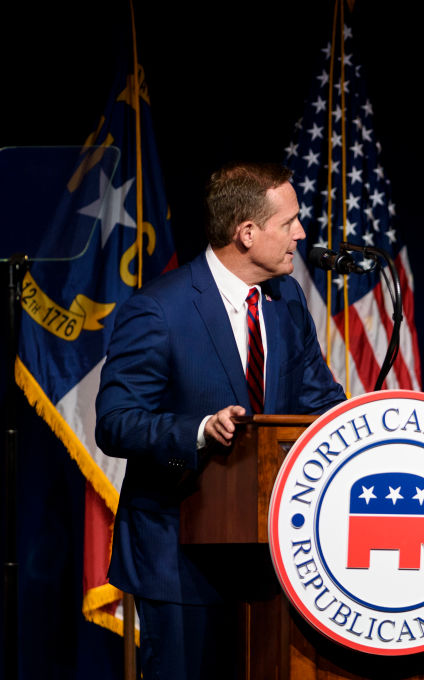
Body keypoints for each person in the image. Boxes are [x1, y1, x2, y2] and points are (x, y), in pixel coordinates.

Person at [96, 161, 347, 679]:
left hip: (272, 555)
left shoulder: (287, 301)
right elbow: (116, 423)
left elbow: (319, 401)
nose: (301, 233)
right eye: (290, 222)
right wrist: (198, 430)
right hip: (179, 554)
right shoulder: (159, 311)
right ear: (247, 232)